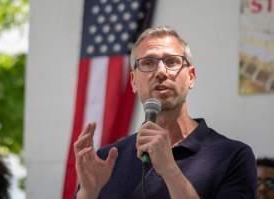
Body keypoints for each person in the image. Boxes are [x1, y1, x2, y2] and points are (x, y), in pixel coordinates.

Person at [74, 26, 257, 198]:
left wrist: (169, 169)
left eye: (172, 62)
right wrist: (89, 193)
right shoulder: (107, 160)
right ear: (133, 81)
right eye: (148, 63)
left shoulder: (233, 156)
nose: (161, 72)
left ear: (191, 77)